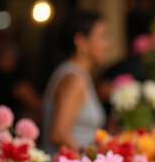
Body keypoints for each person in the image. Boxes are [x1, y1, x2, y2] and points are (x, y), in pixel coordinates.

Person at [42, 11, 108, 154]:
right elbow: (58, 134)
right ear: (80, 40)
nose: (106, 44)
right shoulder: (73, 78)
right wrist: (92, 158)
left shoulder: (80, 75)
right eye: (102, 36)